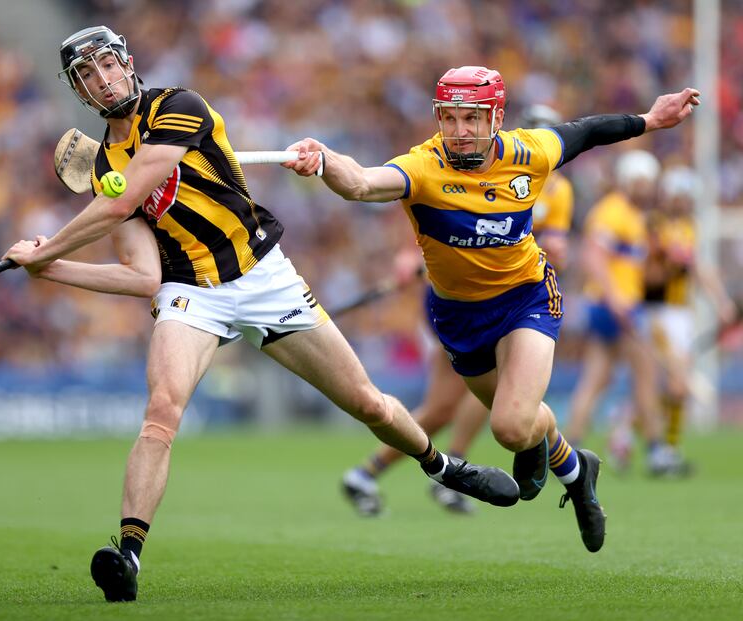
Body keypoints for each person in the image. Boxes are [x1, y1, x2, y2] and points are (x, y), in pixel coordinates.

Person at [3, 30, 520, 602]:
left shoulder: (178, 106)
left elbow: (124, 203)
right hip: (189, 290)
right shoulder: (105, 168)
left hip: (264, 275)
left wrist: (50, 249)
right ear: (80, 91)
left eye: (108, 65)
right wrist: (48, 271)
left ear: (128, 64)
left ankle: (441, 465)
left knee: (367, 403)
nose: (104, 80)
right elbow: (143, 277)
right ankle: (127, 554)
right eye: (88, 75)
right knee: (161, 411)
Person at [284, 65, 701, 553]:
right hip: (459, 319)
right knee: (522, 422)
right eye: (450, 118)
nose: (459, 132)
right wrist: (325, 160)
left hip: (526, 298)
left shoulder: (530, 151)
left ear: (496, 117)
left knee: (509, 425)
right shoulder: (421, 168)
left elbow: (586, 132)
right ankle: (579, 473)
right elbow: (359, 183)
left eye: (472, 119)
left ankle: (551, 457)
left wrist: (649, 120)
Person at [341, 103, 575, 516]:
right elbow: (429, 209)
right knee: (449, 405)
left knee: (470, 405)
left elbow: (552, 241)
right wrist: (411, 258)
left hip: (514, 298)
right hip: (461, 305)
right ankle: (391, 473)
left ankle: (384, 472)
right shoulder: (468, 167)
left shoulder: (555, 190)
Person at [565, 150, 688, 475]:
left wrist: (671, 265)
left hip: (618, 303)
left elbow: (639, 272)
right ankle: (656, 451)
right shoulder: (611, 212)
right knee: (645, 375)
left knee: (597, 377)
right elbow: (594, 258)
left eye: (648, 182)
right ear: (628, 180)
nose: (646, 188)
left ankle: (569, 448)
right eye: (641, 182)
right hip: (613, 306)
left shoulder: (637, 218)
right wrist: (616, 298)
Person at [607, 165, 736, 473]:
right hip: (655, 313)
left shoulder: (690, 227)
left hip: (682, 314)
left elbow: (698, 268)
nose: (684, 201)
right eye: (680, 195)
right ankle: (666, 449)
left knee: (666, 390)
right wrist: (667, 261)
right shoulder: (652, 225)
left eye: (688, 196)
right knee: (677, 385)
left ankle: (626, 430)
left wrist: (720, 300)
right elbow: (647, 277)